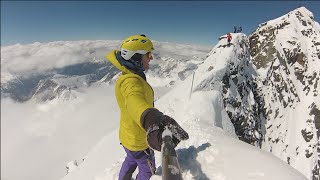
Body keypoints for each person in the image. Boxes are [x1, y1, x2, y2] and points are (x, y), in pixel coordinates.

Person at [106, 34, 189, 180]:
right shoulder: (131, 81)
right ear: (136, 57)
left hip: (127, 137)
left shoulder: (130, 75)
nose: (151, 58)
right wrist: (151, 118)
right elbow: (134, 99)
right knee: (147, 171)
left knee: (131, 159)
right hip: (139, 141)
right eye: (148, 54)